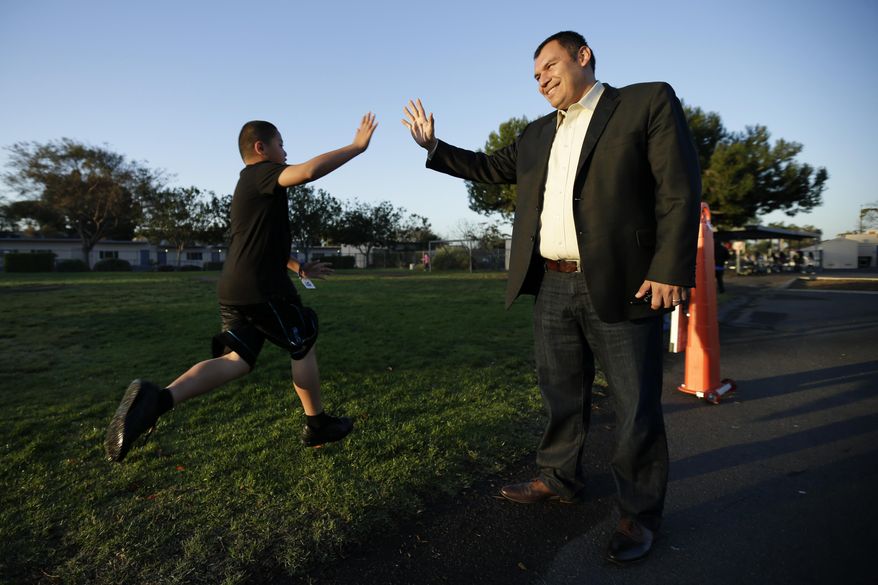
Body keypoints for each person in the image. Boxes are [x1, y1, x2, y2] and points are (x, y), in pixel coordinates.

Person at [402, 31, 701, 564]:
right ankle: (559, 478)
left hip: (625, 281)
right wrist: (434, 148)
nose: (541, 80)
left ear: (583, 56)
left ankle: (638, 512)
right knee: (561, 392)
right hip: (553, 282)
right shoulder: (537, 133)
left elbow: (678, 188)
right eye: (535, 76)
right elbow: (493, 169)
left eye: (549, 66)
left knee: (634, 404)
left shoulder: (644, 101)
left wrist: (669, 267)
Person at [105, 113, 378, 462]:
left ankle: (156, 401)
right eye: (281, 144)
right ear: (261, 148)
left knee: (238, 359)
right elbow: (307, 172)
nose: (285, 150)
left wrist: (299, 266)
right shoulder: (261, 174)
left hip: (235, 287)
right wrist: (356, 147)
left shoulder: (250, 187)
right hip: (264, 289)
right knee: (303, 340)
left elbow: (260, 245)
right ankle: (317, 423)